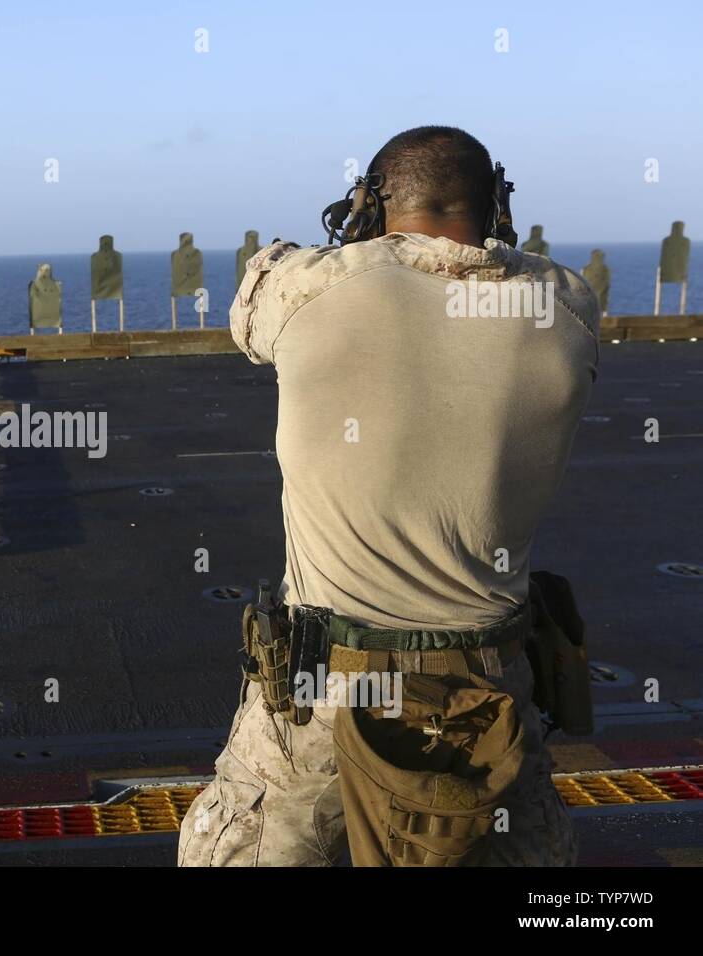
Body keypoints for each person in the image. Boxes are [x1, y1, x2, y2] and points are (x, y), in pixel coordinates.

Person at [179, 126, 599, 867]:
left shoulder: (311, 287)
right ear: (496, 204)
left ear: (372, 204)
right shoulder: (567, 309)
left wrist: (352, 233)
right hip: (490, 684)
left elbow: (250, 315)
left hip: (326, 681)